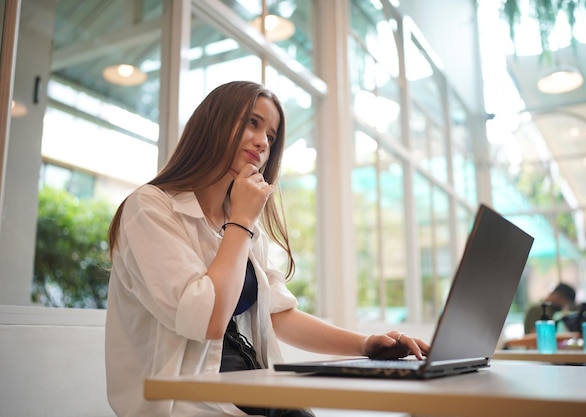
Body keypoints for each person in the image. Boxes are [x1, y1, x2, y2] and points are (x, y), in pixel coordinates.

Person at [105, 80, 430, 417]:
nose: (263, 143)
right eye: (252, 122)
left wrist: (365, 344)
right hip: (187, 405)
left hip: (250, 388)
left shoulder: (240, 223)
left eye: (271, 137)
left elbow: (278, 314)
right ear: (214, 123)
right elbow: (207, 322)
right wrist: (243, 220)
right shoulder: (150, 209)